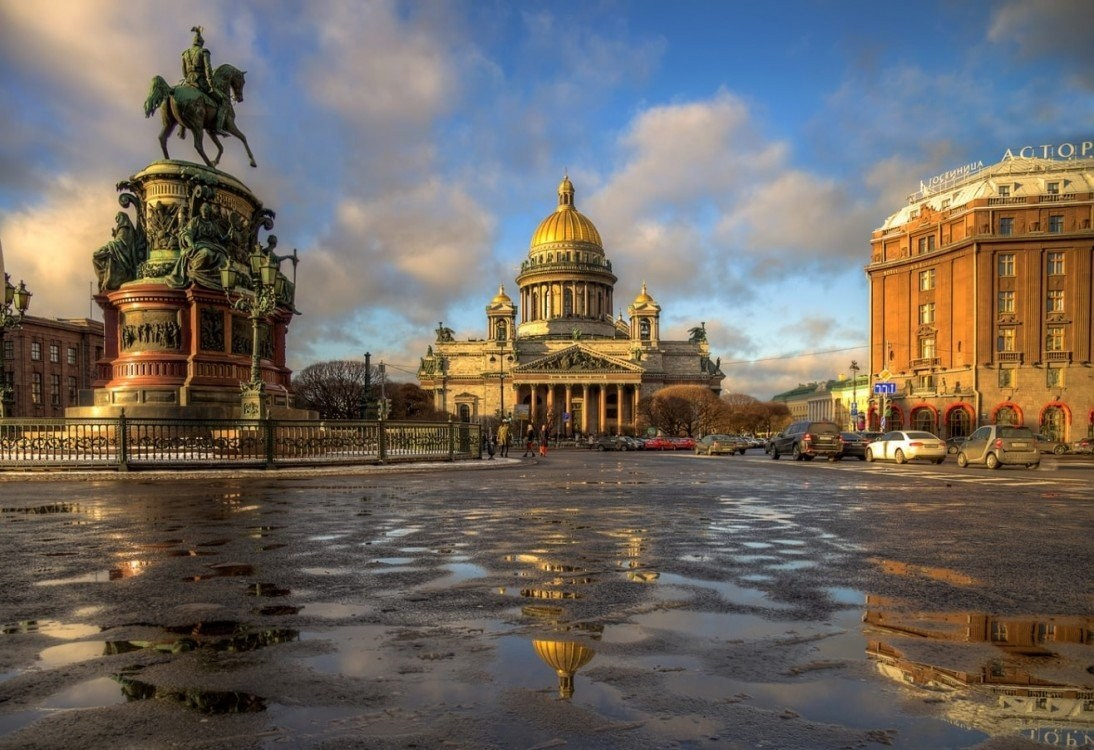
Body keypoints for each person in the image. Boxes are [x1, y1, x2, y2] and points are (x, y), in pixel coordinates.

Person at [182, 25, 227, 135]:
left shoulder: (185, 53)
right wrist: (210, 81)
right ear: (201, 43)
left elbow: (183, 71)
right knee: (223, 100)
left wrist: (188, 78)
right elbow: (208, 68)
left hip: (188, 81)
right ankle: (218, 127)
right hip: (200, 81)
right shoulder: (204, 52)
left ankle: (181, 128)